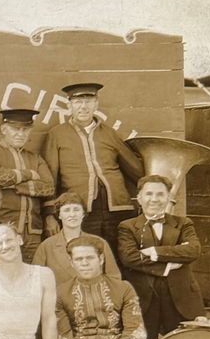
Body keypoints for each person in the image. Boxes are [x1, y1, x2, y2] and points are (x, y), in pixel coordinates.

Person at [41, 82, 143, 246]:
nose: (83, 107)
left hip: (118, 208)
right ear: (69, 105)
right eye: (78, 102)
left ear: (96, 104)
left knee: (121, 258)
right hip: (81, 210)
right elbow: (49, 177)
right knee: (86, 253)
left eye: (88, 101)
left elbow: (136, 170)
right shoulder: (57, 134)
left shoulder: (109, 133)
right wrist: (49, 213)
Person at [117, 175, 204, 339]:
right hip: (144, 300)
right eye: (149, 194)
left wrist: (155, 252)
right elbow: (130, 258)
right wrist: (169, 264)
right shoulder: (126, 226)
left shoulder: (183, 223)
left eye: (160, 194)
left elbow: (193, 250)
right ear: (139, 198)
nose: (154, 199)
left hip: (181, 298)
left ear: (168, 198)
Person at [0, 108, 55, 259]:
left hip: (33, 232)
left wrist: (15, 186)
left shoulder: (34, 158)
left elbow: (48, 187)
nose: (20, 133)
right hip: (0, 227)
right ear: (4, 129)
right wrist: (28, 174)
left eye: (25, 129)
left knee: (31, 275)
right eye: (15, 129)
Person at [32, 191, 122, 290]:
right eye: (66, 210)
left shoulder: (98, 242)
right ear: (59, 215)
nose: (72, 214)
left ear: (83, 214)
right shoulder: (47, 246)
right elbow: (36, 280)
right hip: (58, 302)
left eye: (76, 209)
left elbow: (114, 277)